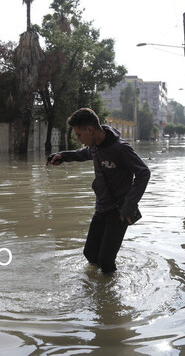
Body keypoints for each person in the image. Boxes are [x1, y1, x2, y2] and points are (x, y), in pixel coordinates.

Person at [48, 108, 150, 274]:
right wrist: (62, 156)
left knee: (106, 261)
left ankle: (109, 293)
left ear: (90, 130)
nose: (78, 139)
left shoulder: (120, 149)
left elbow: (143, 173)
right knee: (90, 254)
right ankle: (95, 288)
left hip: (119, 212)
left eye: (79, 135)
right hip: (101, 208)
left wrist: (129, 205)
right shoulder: (95, 147)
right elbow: (83, 153)